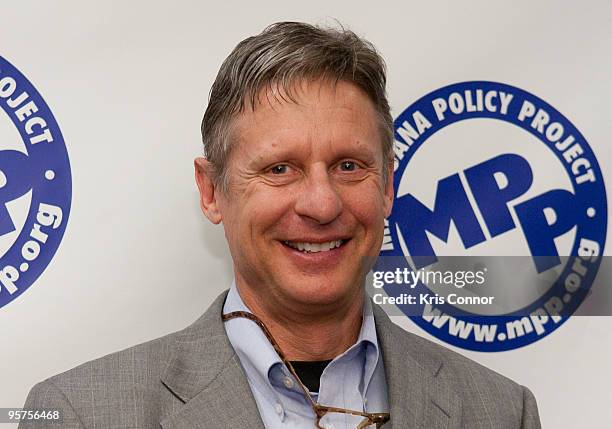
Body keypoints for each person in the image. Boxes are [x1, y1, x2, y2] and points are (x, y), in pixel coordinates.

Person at [21, 22, 541, 428]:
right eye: (279, 169)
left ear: (386, 186)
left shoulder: (500, 411)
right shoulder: (83, 415)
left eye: (348, 166)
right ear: (211, 191)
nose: (320, 204)